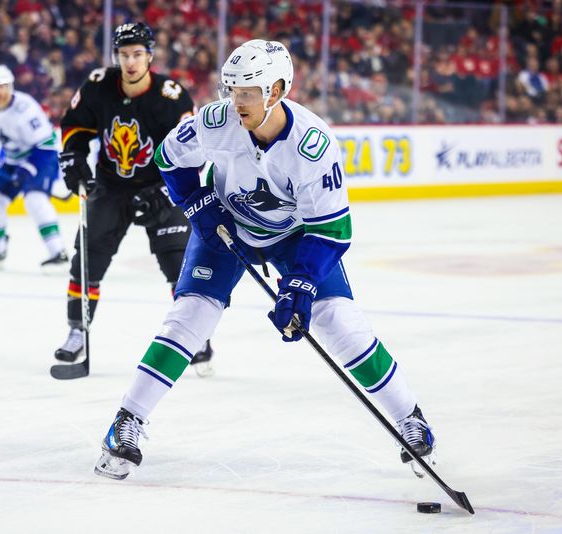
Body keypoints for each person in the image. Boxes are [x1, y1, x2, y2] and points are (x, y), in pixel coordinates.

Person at [94, 40, 436, 480]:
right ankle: (127, 422)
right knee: (190, 315)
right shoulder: (217, 121)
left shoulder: (313, 147)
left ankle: (409, 417)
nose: (237, 101)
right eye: (232, 89)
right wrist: (197, 202)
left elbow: (332, 230)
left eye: (248, 92)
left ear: (276, 90)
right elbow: (168, 157)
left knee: (338, 322)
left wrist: (301, 283)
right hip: (225, 227)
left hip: (295, 237)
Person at [55, 22, 214, 372]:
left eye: (138, 54)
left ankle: (196, 336)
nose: (130, 62)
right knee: (88, 258)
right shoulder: (98, 86)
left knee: (178, 264)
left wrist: (165, 189)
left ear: (150, 56)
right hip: (111, 187)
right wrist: (73, 158)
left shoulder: (170, 97)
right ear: (116, 56)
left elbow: (193, 153)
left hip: (160, 188)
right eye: (124, 55)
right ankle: (77, 331)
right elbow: (75, 126)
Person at [0, 65, 68, 267]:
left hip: (42, 156)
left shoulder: (26, 109)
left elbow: (45, 144)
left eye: (2, 86)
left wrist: (28, 170)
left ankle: (58, 250)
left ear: (10, 86)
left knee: (34, 198)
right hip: (13, 159)